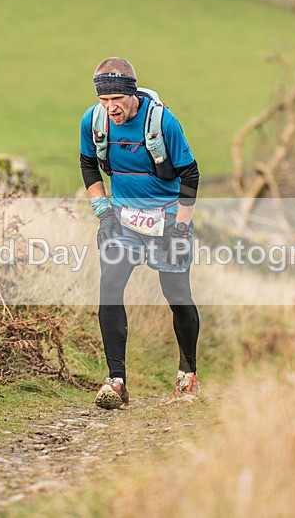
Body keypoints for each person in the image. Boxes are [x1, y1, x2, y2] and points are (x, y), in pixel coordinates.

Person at [79, 57, 201, 409]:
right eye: (104, 101)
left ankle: (187, 377)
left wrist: (180, 227)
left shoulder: (163, 121)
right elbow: (88, 164)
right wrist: (103, 213)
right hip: (123, 220)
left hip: (167, 218)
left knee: (176, 294)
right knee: (110, 286)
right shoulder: (94, 121)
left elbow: (190, 174)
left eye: (116, 99)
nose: (111, 108)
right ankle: (115, 382)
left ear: (131, 93)